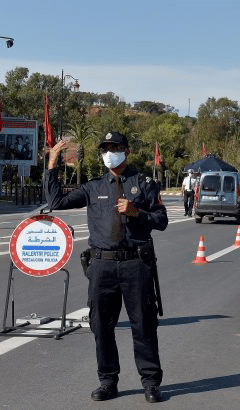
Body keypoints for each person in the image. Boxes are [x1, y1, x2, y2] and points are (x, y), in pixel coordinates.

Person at [44, 132, 167, 403]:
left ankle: (150, 382)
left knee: (143, 324)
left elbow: (161, 221)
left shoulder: (144, 184)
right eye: (106, 148)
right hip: (102, 265)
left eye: (115, 147)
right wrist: (52, 163)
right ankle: (108, 381)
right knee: (100, 325)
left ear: (127, 151)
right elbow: (56, 203)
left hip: (136, 263)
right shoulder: (94, 187)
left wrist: (137, 213)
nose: (110, 152)